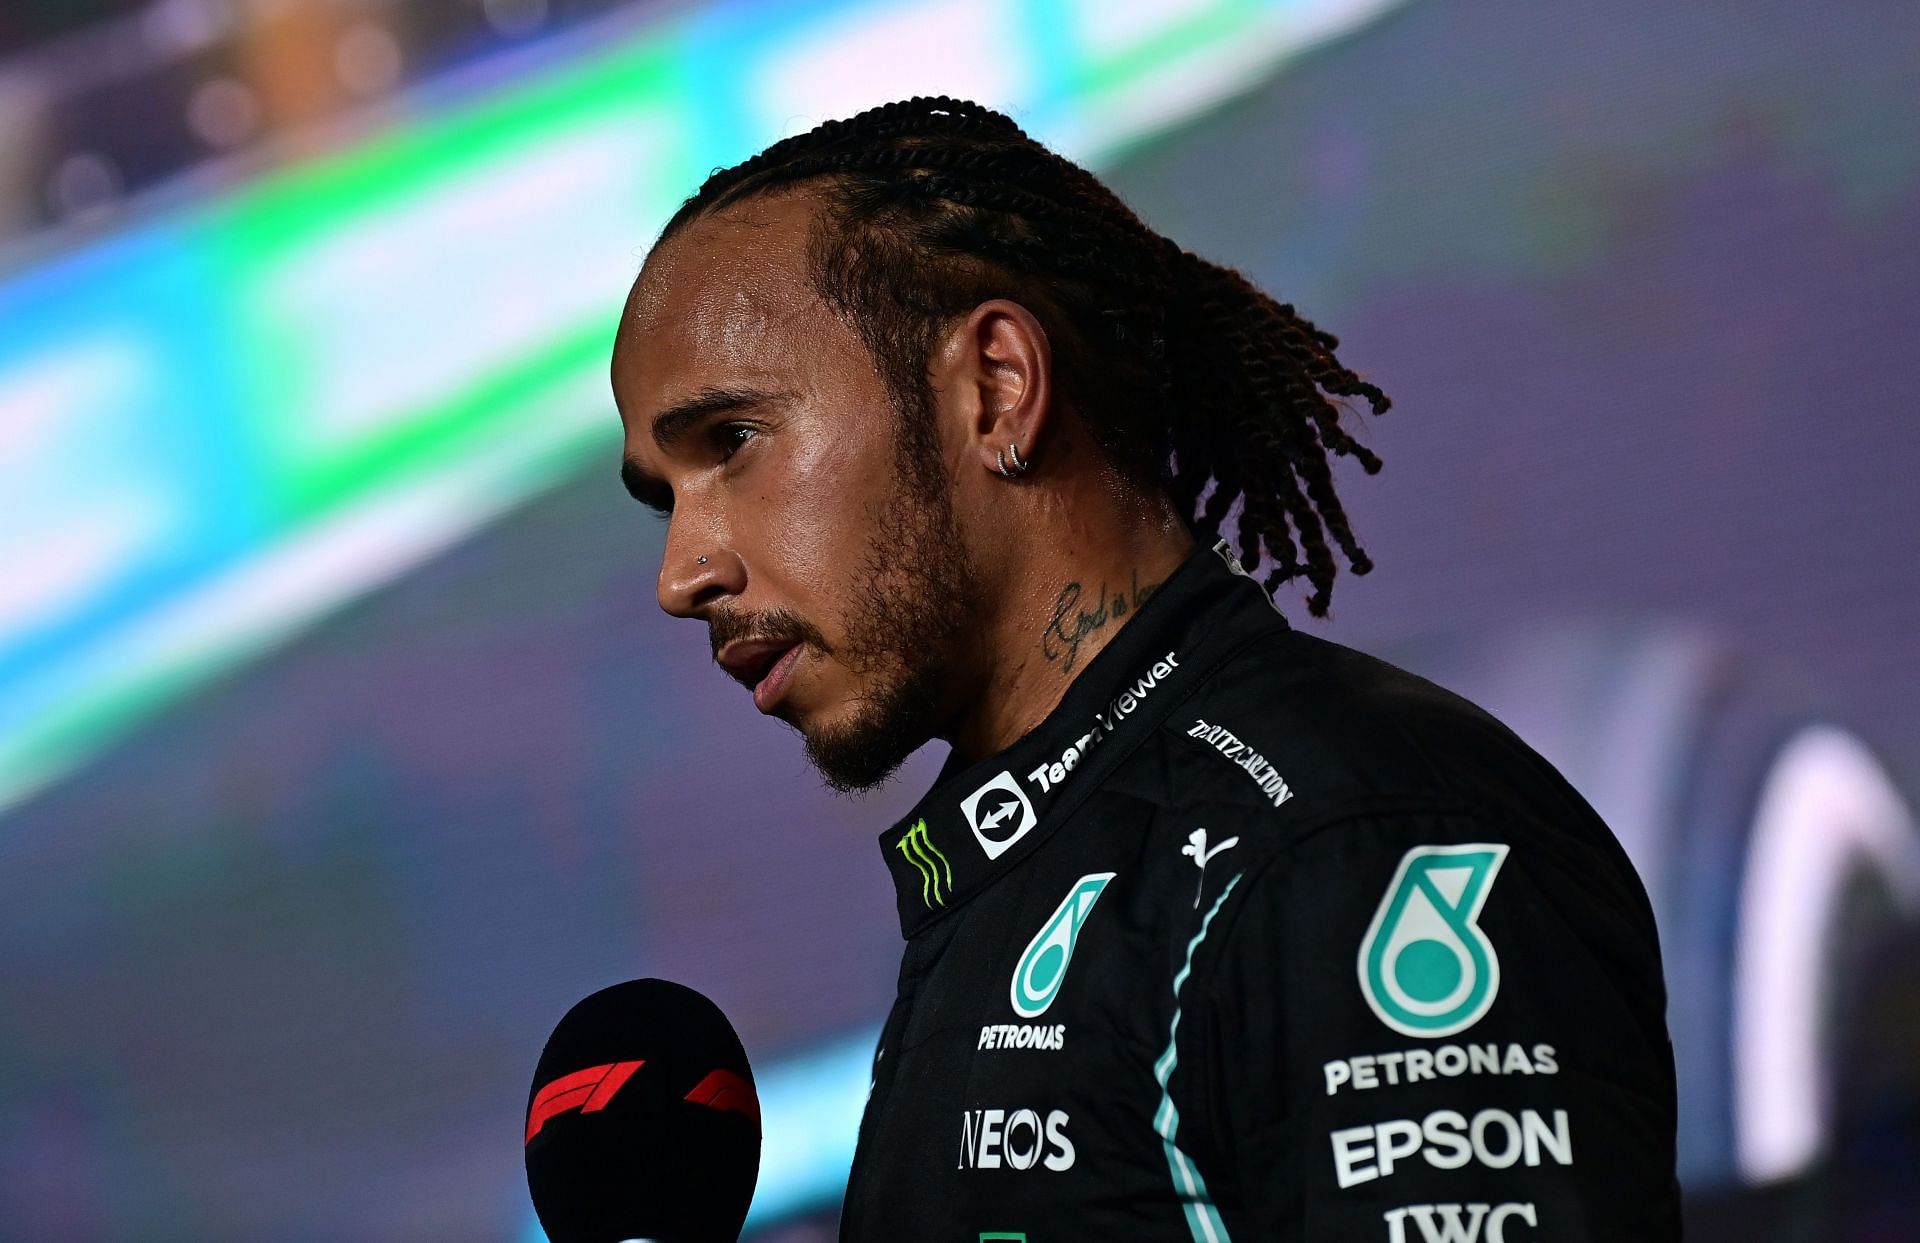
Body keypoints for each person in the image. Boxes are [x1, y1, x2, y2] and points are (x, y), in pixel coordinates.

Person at [610, 96, 1680, 1241]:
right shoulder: (1027, 874)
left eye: (730, 442)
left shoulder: (1347, 835)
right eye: (664, 496)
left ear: (996, 387)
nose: (682, 573)